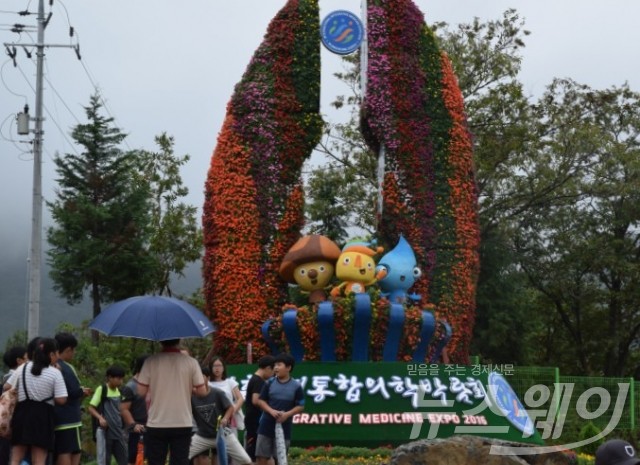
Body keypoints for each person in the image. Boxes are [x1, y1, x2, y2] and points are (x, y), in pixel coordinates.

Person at [136, 339, 207, 465]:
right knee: (180, 461)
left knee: (155, 462)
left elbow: (140, 392)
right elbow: (202, 392)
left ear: (160, 341)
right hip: (182, 422)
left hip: (156, 423)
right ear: (179, 341)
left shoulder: (150, 361)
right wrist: (188, 386)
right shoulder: (191, 362)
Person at [5, 338, 68, 465]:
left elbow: (7, 386)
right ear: (51, 354)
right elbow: (62, 400)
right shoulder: (55, 373)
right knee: (38, 460)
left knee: (16, 457)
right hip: (43, 417)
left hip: (22, 414)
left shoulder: (23, 367)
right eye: (56, 353)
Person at [189, 365, 251, 465]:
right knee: (181, 456)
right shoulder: (190, 396)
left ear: (208, 378)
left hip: (223, 434)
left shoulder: (217, 393)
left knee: (245, 460)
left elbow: (230, 408)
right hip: (202, 436)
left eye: (201, 376)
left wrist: (225, 418)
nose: (198, 380)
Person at [255, 353, 304, 465]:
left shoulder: (296, 386)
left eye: (279, 365)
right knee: (261, 457)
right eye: (275, 365)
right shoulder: (269, 383)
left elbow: (301, 406)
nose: (276, 368)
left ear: (288, 367)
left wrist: (287, 415)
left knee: (280, 459)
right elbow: (260, 401)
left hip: (284, 427)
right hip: (266, 425)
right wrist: (271, 411)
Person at [53, 333, 91, 465]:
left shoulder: (49, 366)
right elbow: (73, 391)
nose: (74, 353)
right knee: (71, 451)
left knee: (61, 450)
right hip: (70, 420)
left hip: (55, 418)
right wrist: (82, 391)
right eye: (73, 350)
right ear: (68, 349)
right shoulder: (65, 367)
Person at [88, 365, 127, 465]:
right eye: (118, 378)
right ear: (110, 377)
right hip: (105, 433)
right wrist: (100, 418)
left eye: (122, 379)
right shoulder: (102, 390)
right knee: (105, 460)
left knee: (124, 459)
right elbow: (91, 408)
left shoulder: (120, 392)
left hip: (118, 432)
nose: (121, 381)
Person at [243, 355, 274, 463]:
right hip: (254, 422)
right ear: (268, 368)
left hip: (255, 421)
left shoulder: (256, 379)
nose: (272, 375)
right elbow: (255, 400)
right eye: (272, 372)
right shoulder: (258, 381)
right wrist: (269, 407)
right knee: (253, 453)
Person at [0, 346, 27, 465]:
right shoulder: (15, 377)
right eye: (27, 357)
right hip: (12, 423)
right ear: (19, 361)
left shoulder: (6, 377)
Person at [119, 355, 148, 465]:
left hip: (150, 428)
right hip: (136, 431)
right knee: (134, 460)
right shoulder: (130, 386)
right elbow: (124, 409)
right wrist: (133, 424)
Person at [209, 357, 245, 437]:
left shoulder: (230, 382)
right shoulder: (208, 384)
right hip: (213, 419)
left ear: (223, 368)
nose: (217, 368)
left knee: (232, 443)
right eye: (214, 366)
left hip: (230, 419)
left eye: (219, 365)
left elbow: (240, 398)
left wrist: (233, 411)